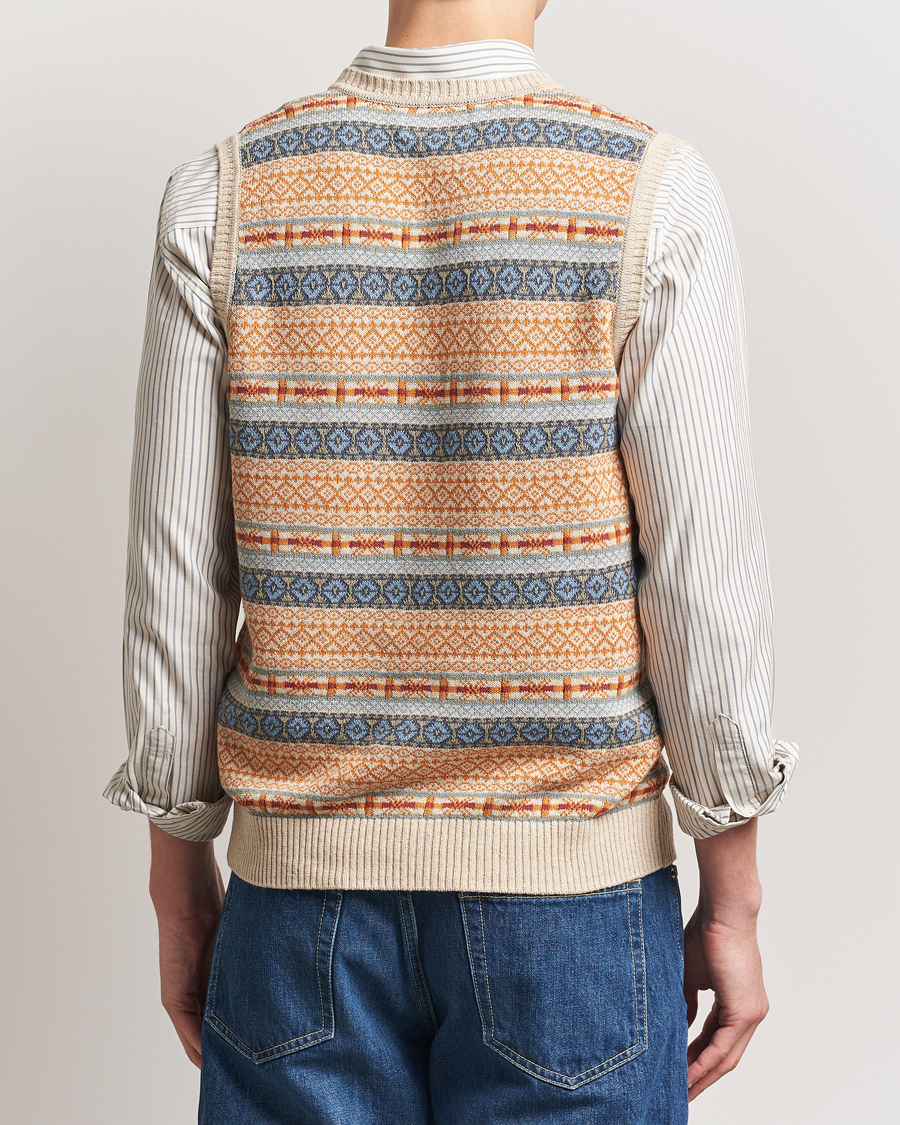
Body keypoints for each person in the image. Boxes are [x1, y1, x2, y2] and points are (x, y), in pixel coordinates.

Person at [104, 1, 799, 1120]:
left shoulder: (223, 194)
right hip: (573, 895)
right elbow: (701, 581)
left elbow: (176, 577)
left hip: (299, 905)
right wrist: (734, 892)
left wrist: (176, 876)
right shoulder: (648, 192)